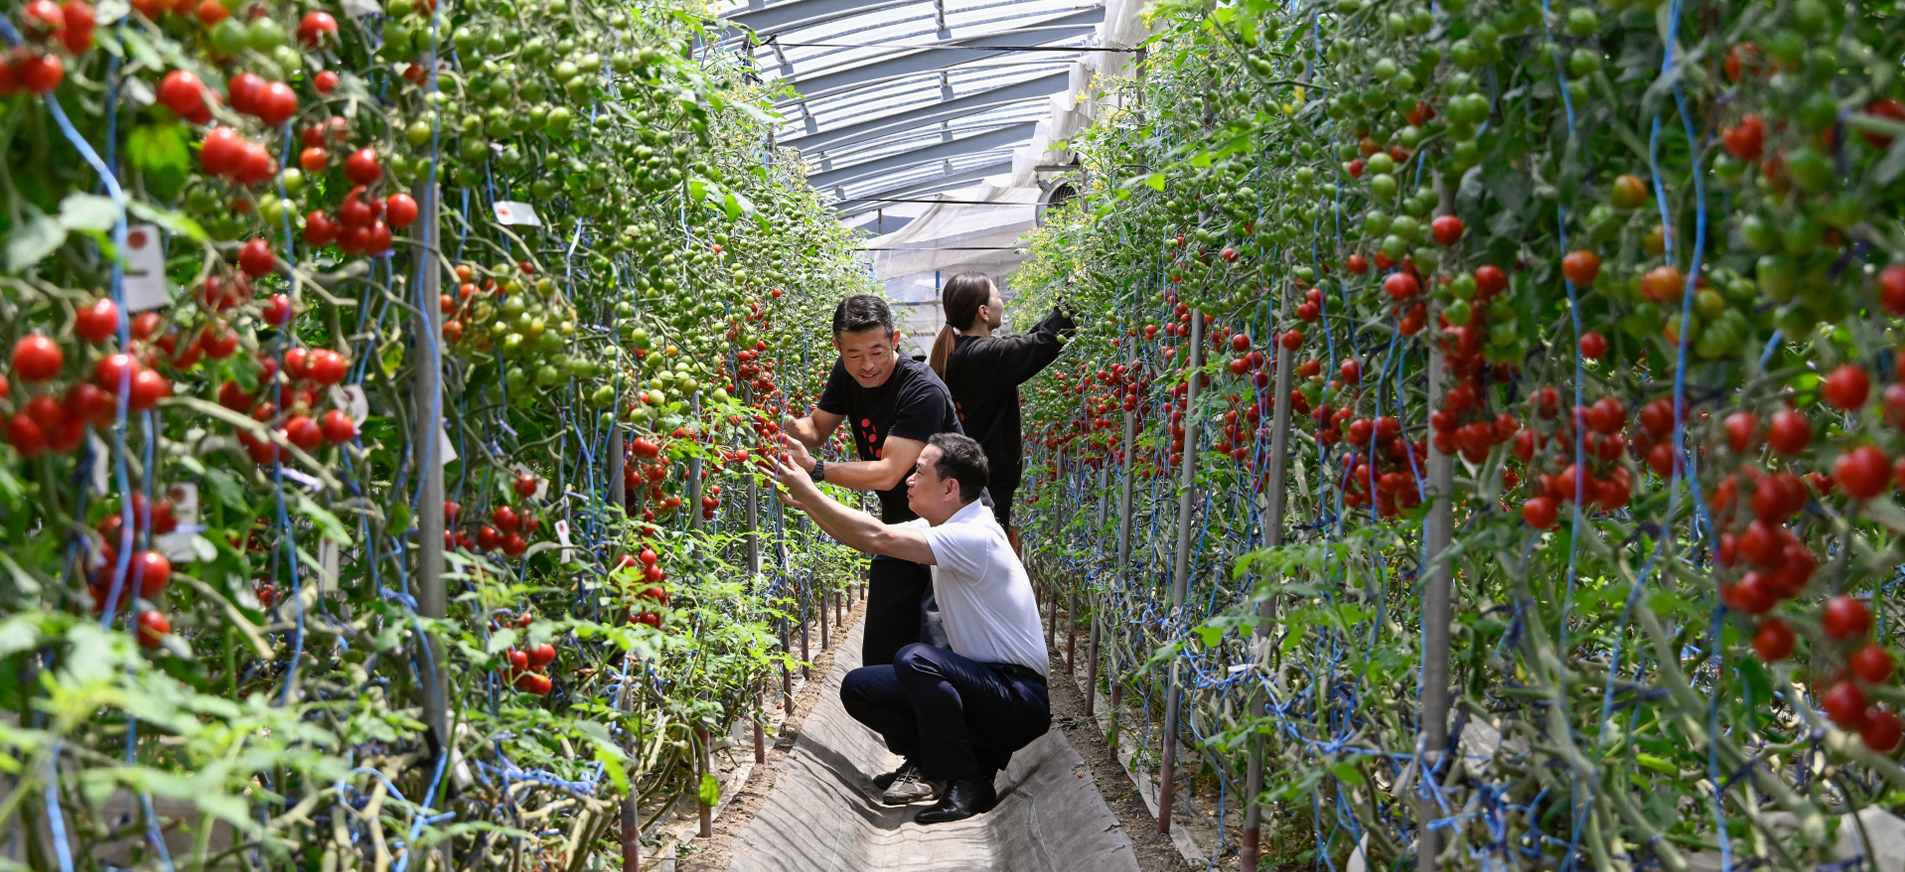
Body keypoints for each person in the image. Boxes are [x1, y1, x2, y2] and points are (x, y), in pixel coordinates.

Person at [771, 433, 1050, 825]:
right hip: (989, 687)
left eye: (919, 472)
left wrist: (810, 488)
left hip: (1018, 697)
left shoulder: (973, 537)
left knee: (916, 659)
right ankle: (935, 763)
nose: (909, 480)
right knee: (861, 688)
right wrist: (810, 502)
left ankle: (969, 781)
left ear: (950, 488)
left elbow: (877, 535)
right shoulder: (952, 522)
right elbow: (867, 537)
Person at [780, 294, 962, 671]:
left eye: (877, 352)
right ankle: (903, 729)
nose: (867, 366)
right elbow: (814, 429)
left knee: (939, 650)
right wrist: (773, 418)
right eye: (854, 354)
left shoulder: (921, 390)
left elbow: (888, 471)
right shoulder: (846, 373)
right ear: (839, 348)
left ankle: (943, 727)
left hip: (949, 530)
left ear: (895, 340)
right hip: (900, 526)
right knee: (882, 655)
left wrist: (815, 470)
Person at [926, 272, 1077, 549]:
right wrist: (1074, 295)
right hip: (985, 489)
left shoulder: (958, 352)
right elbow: (1042, 344)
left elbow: (1027, 342)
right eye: (997, 296)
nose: (1002, 302)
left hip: (963, 482)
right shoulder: (983, 355)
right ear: (983, 312)